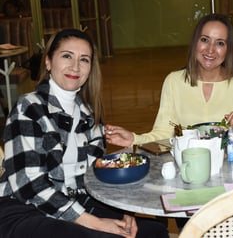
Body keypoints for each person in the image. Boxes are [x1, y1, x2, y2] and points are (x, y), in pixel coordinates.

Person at [0, 29, 169, 238]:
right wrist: (96, 223)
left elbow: (96, 177)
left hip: (76, 203)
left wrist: (123, 211)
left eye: (84, 60)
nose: (75, 66)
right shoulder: (29, 107)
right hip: (25, 209)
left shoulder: (90, 114)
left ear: (90, 69)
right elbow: (29, 185)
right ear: (48, 62)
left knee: (152, 232)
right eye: (67, 56)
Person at [105, 13, 233, 150]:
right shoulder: (174, 82)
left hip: (231, 170)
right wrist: (134, 140)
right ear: (195, 43)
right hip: (187, 169)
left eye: (220, 43)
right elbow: (164, 134)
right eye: (205, 40)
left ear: (228, 50)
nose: (210, 50)